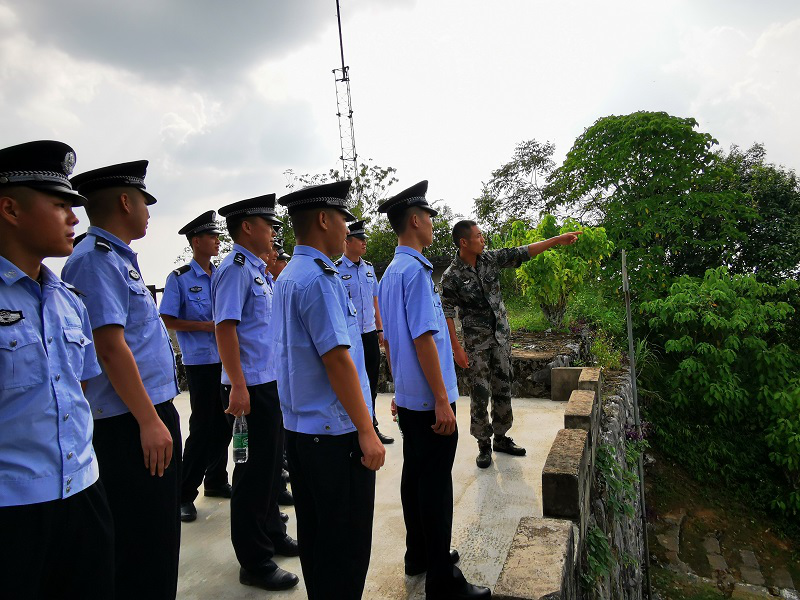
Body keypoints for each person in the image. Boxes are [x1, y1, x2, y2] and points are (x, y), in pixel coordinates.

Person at [62, 160, 182, 600]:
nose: (149, 212)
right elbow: (110, 348)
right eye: (145, 202)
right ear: (126, 201)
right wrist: (150, 421)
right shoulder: (93, 261)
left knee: (160, 535)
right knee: (142, 543)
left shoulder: (116, 258)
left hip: (148, 413)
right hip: (130, 422)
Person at [0, 140, 114, 600]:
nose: (74, 218)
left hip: (83, 493)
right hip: (13, 508)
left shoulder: (68, 301)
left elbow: (79, 389)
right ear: (10, 208)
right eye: (60, 204)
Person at [377, 181, 490, 600]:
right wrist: (442, 400)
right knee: (436, 486)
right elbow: (424, 338)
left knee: (415, 477)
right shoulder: (417, 272)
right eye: (428, 217)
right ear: (415, 221)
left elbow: (391, 339)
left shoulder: (391, 272)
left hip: (411, 397)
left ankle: (420, 554)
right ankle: (443, 580)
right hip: (429, 401)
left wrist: (399, 390)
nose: (432, 223)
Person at [273, 180, 385, 600]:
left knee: (319, 541)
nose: (346, 229)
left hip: (303, 432)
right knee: (346, 549)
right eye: (343, 219)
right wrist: (367, 430)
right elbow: (338, 361)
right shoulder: (318, 279)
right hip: (334, 437)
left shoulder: (290, 276)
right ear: (323, 219)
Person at [440, 220, 581, 468]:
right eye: (479, 236)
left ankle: (501, 438)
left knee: (503, 387)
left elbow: (524, 251)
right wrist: (457, 348)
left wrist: (557, 239)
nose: (483, 240)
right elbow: (447, 313)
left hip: (501, 338)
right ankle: (483, 445)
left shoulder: (490, 259)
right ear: (464, 242)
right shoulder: (451, 276)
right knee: (480, 393)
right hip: (476, 344)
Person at [213, 194, 299, 591]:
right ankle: (254, 559)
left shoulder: (258, 271)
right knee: (251, 473)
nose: (273, 231)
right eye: (268, 224)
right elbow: (225, 328)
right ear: (247, 226)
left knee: (269, 469)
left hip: (269, 383)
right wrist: (239, 387)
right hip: (249, 388)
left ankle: (272, 534)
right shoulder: (235, 269)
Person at [160, 211, 231, 523]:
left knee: (226, 424)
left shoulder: (222, 274)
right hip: (201, 363)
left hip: (226, 361)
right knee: (202, 428)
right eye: (211, 237)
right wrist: (206, 328)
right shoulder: (179, 279)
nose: (217, 241)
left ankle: (216, 480)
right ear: (196, 241)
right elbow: (169, 319)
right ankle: (184, 493)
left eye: (218, 236)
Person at [335, 220, 394, 445]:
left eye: (365, 240)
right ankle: (352, 425)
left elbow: (374, 301)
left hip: (368, 333)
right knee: (351, 382)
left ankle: (371, 424)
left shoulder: (369, 269)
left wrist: (380, 329)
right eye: (360, 240)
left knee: (370, 381)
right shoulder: (336, 270)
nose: (364, 244)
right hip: (348, 337)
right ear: (347, 242)